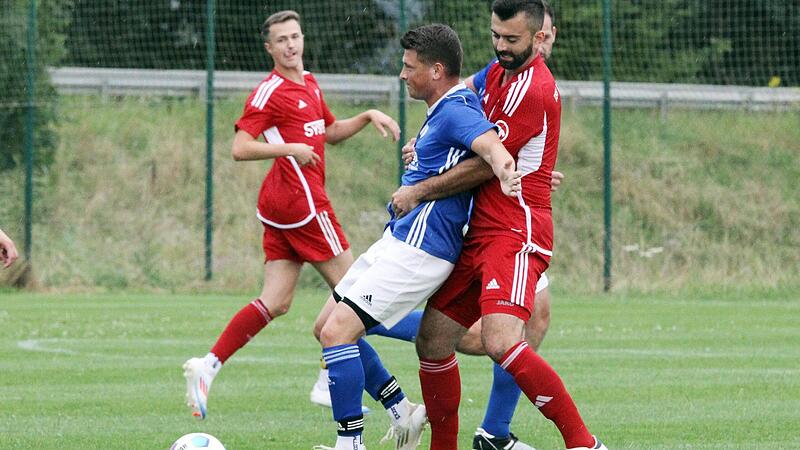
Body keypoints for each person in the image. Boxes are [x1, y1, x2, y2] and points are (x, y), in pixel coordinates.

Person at [309, 5, 563, 449]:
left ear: (436, 70)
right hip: (409, 236)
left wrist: (508, 167)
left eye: (409, 67)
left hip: (440, 243)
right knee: (330, 326)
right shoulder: (481, 84)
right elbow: (474, 111)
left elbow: (490, 145)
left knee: (500, 334)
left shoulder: (477, 104)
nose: (402, 75)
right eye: (496, 36)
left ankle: (355, 443)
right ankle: (403, 410)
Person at [182, 9, 400, 420]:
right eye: (281, 40)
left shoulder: (310, 83)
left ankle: (207, 365)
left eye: (295, 37)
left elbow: (329, 132)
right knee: (358, 295)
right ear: (269, 48)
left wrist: (368, 115)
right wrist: (289, 149)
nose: (290, 45)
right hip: (304, 205)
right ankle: (343, 383)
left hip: (283, 207)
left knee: (276, 301)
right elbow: (240, 147)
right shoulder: (270, 92)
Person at [412, 1, 607, 449]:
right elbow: (456, 99)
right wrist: (426, 139)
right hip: (480, 228)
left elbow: (487, 161)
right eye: (495, 35)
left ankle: (584, 444)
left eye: (511, 39)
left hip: (515, 230)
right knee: (433, 339)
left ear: (540, 38)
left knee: (501, 340)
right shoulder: (499, 71)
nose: (500, 46)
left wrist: (421, 186)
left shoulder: (533, 88)